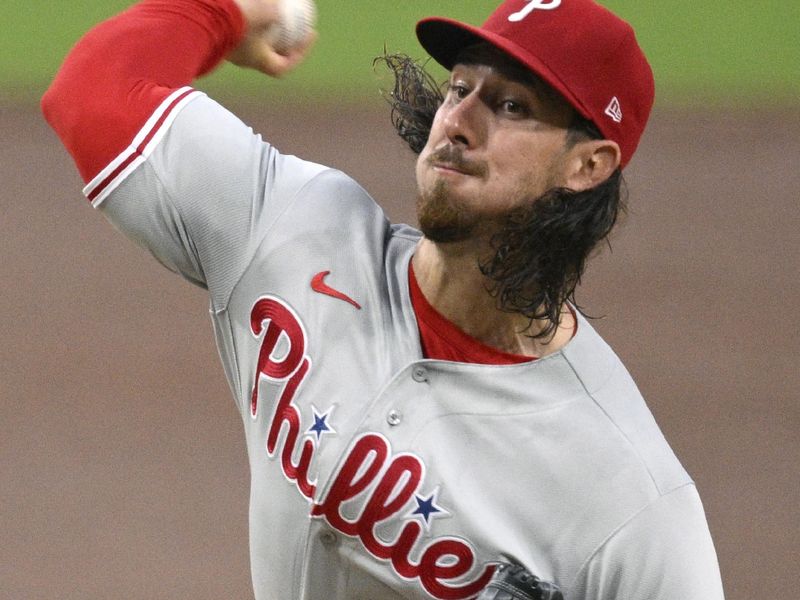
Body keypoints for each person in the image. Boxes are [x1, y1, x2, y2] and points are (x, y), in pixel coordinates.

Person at [42, 0, 725, 598]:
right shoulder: (296, 231)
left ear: (588, 165)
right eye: (460, 88)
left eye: (511, 106)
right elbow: (93, 90)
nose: (456, 121)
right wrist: (223, 12)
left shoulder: (631, 501)